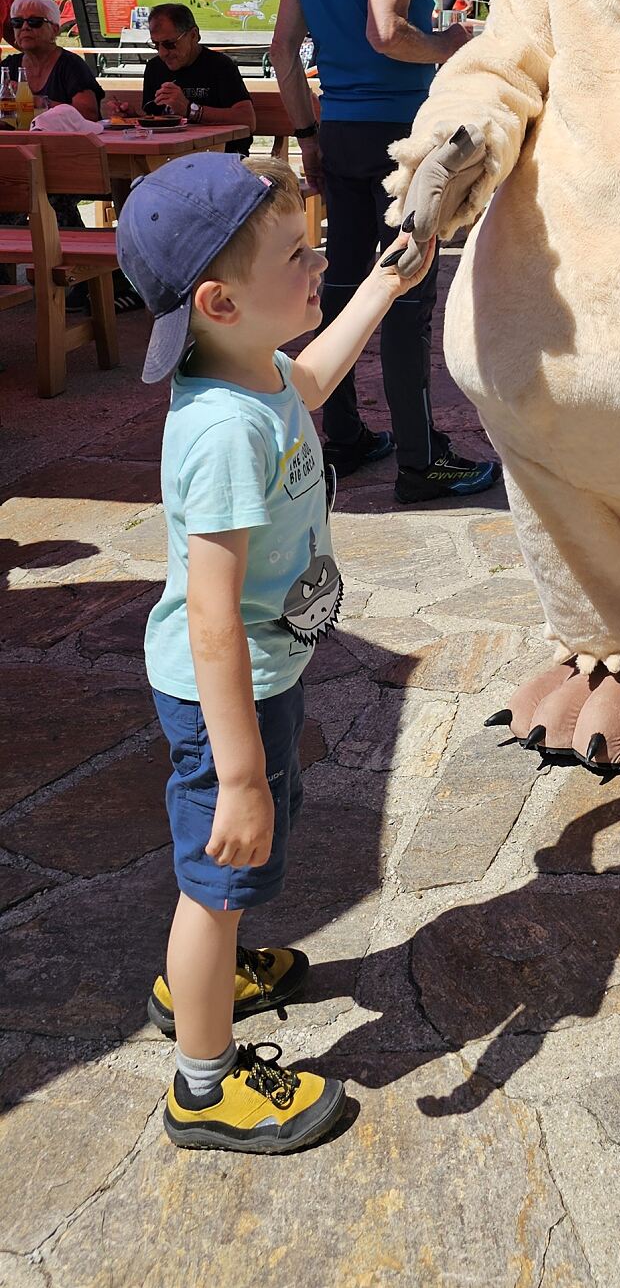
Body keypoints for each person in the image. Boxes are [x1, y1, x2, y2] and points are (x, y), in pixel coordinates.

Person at [115, 149, 440, 1151]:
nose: (319, 263)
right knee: (218, 877)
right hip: (228, 695)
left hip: (262, 680)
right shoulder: (221, 431)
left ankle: (209, 977)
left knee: (239, 868)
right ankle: (203, 1087)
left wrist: (387, 280)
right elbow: (210, 617)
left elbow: (321, 369)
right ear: (219, 300)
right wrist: (243, 772)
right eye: (298, 255)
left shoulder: (261, 376)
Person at [270, 0, 501, 503]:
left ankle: (343, 437)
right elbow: (384, 28)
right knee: (407, 289)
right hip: (399, 141)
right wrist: (448, 46)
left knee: (337, 287)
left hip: (336, 132)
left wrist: (308, 134)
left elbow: (282, 51)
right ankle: (420, 459)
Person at [105, 4, 256, 153]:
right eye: (156, 45)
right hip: (170, 157)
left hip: (220, 158)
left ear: (193, 35)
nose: (163, 53)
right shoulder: (155, 68)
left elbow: (248, 119)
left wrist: (190, 110)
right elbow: (156, 122)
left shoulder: (219, 66)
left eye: (170, 44)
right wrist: (132, 118)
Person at [4, 0, 103, 117]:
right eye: (17, 22)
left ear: (55, 30)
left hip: (63, 137)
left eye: (34, 22)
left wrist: (39, 102)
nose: (25, 27)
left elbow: (88, 114)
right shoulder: (8, 67)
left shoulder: (71, 65)